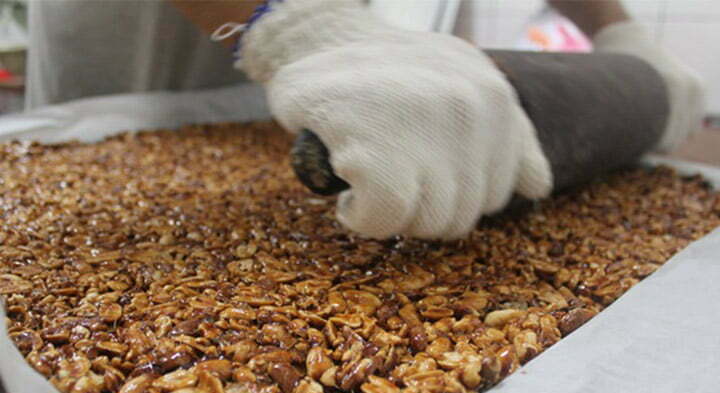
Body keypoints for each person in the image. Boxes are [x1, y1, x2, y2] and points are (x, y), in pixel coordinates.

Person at [26, 0, 705, 240]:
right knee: (128, 152)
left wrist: (622, 38)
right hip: (142, 58)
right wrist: (298, 25)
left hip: (331, 84)